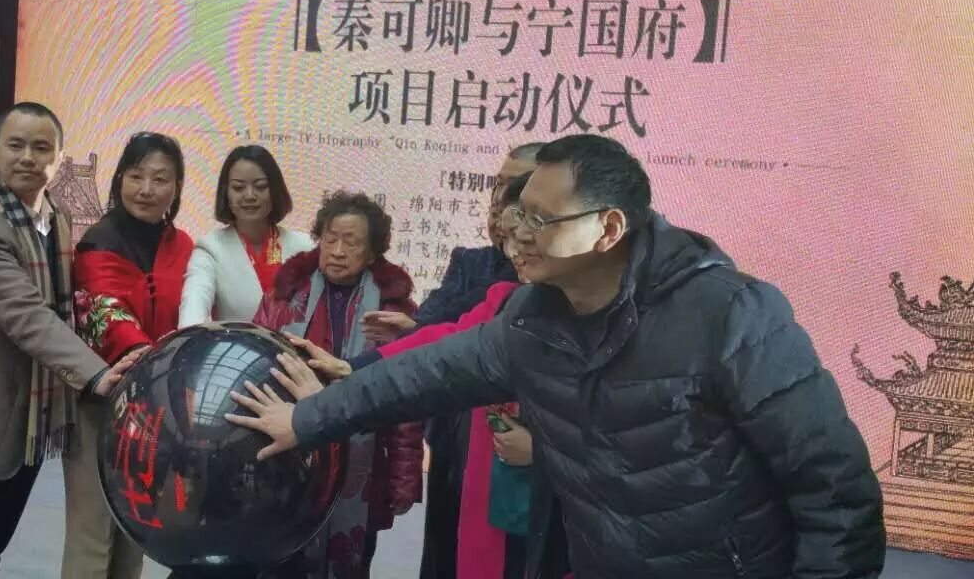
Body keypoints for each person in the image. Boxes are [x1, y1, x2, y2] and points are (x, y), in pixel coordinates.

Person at [230, 135, 886, 579]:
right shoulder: (533, 318)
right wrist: (307, 419)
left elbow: (835, 491)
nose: (514, 232)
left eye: (539, 220)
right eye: (516, 213)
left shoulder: (731, 315)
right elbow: (426, 373)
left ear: (608, 228)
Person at [294, 173, 563, 579]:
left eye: (529, 232)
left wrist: (543, 452)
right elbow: (441, 346)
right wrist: (355, 368)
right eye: (509, 236)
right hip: (496, 493)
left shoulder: (617, 320)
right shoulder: (508, 300)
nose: (516, 250)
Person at [0, 102, 136, 579]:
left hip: (29, 423)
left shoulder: (55, 216)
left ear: (58, 159)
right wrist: (96, 374)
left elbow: (66, 306)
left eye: (41, 148)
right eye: (15, 145)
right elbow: (26, 315)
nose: (27, 157)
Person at [357, 142, 543, 579]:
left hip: (528, 454)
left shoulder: (557, 291)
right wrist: (399, 340)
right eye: (499, 185)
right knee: (449, 548)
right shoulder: (479, 269)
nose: (501, 198)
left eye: (517, 187)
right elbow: (443, 327)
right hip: (460, 431)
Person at [251, 190, 424, 579]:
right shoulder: (283, 297)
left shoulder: (395, 313)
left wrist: (404, 478)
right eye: (331, 239)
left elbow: (408, 401)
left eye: (352, 242)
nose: (339, 251)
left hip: (363, 467)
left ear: (373, 253)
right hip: (287, 461)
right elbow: (254, 372)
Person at [66, 131, 194, 579]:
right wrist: (152, 360)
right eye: (136, 176)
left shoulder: (184, 247)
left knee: (136, 526)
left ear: (176, 187)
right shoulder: (98, 242)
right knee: (93, 532)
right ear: (120, 178)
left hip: (159, 410)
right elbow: (105, 313)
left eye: (160, 179)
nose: (146, 189)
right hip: (103, 403)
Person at [178, 145, 313, 327]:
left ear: (275, 190)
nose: (249, 196)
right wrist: (191, 335)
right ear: (226, 193)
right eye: (238, 188)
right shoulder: (211, 249)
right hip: (237, 345)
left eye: (260, 186)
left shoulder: (306, 247)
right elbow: (193, 308)